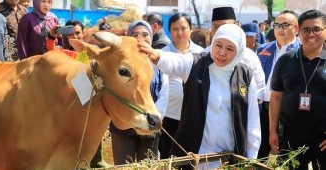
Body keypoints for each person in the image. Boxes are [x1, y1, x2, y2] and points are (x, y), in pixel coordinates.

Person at [138, 23, 261, 169]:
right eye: (218, 45)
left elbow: (252, 121)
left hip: (227, 158)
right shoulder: (196, 63)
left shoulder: (246, 76)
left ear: (239, 51)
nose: (221, 53)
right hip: (192, 155)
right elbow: (175, 61)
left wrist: (251, 159)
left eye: (229, 49)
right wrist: (157, 55)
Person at [269, 9, 326, 169]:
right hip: (290, 136)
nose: (311, 34)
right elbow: (276, 97)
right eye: (306, 30)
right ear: (299, 32)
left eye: (317, 29)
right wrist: (272, 131)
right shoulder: (286, 60)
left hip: (323, 138)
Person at [109, 20, 169, 165]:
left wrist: (154, 117)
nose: (140, 38)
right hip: (123, 124)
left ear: (152, 37)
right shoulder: (119, 62)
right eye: (135, 34)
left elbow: (165, 91)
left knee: (149, 165)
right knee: (123, 165)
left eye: (145, 34)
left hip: (150, 123)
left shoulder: (159, 60)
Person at [158, 12, 203, 159]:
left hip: (193, 117)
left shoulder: (201, 54)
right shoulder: (161, 55)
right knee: (167, 156)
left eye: (183, 28)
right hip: (169, 116)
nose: (179, 33)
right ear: (169, 31)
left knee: (191, 157)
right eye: (175, 29)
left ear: (190, 29)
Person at [256, 10, 300, 159]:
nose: (280, 29)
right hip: (263, 109)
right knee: (259, 153)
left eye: (285, 25)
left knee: (287, 156)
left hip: (288, 111)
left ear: (296, 28)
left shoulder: (303, 51)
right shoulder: (263, 49)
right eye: (277, 25)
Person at [203, 7, 266, 104]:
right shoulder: (203, 56)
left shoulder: (249, 57)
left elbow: (259, 88)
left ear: (237, 26)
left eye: (224, 25)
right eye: (215, 26)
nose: (221, 30)